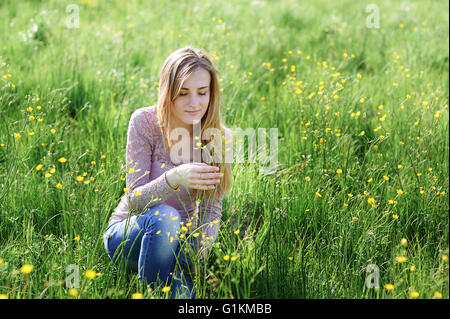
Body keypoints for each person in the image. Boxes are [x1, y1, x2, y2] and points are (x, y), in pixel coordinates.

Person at [102, 46, 233, 299]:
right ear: (168, 91)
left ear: (211, 93)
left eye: (202, 92)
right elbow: (135, 200)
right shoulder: (144, 122)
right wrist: (174, 177)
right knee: (166, 216)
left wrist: (194, 260)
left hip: (176, 247)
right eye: (183, 93)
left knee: (186, 299)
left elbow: (210, 211)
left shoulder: (218, 137)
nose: (194, 103)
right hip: (129, 235)